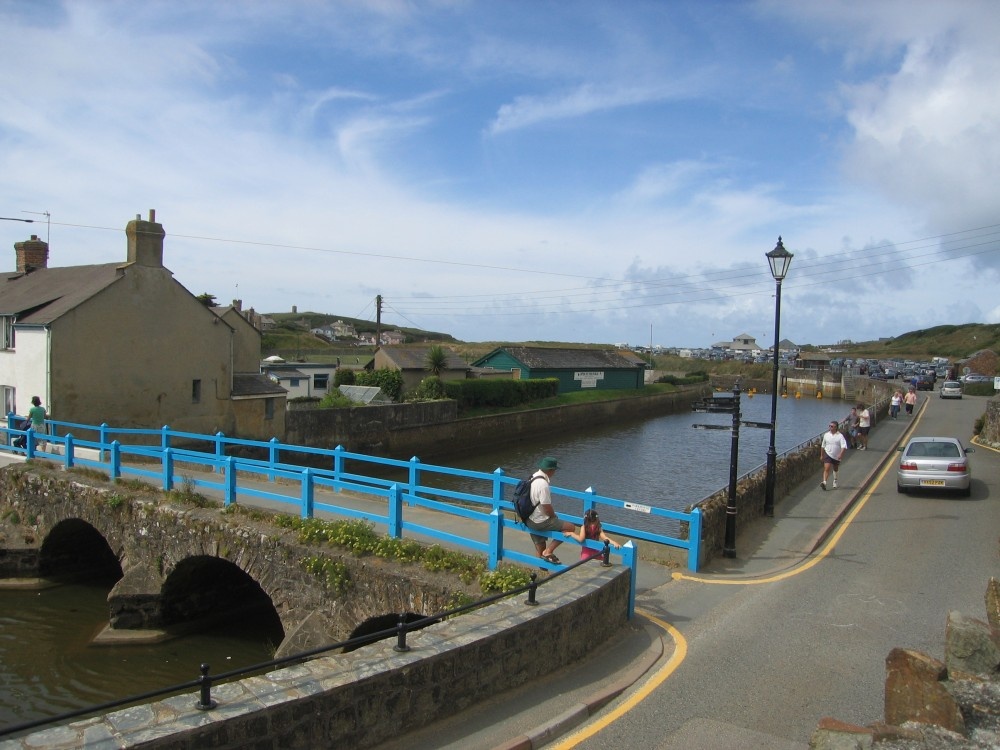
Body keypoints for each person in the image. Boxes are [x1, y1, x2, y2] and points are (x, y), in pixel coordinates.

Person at [524, 456, 575, 564]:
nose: (554, 473)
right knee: (570, 527)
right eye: (554, 470)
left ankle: (542, 573)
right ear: (550, 470)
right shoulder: (543, 484)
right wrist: (554, 517)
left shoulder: (532, 477)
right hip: (540, 521)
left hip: (528, 519)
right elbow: (546, 507)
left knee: (540, 547)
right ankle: (549, 551)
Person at [820, 420, 848, 490]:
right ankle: (824, 482)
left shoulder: (840, 436)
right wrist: (821, 455)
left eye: (831, 426)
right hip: (828, 454)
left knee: (835, 468)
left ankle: (835, 480)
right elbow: (823, 446)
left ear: (836, 427)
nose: (830, 427)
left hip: (836, 456)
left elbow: (843, 446)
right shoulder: (826, 435)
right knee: (827, 468)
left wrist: (841, 454)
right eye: (829, 426)